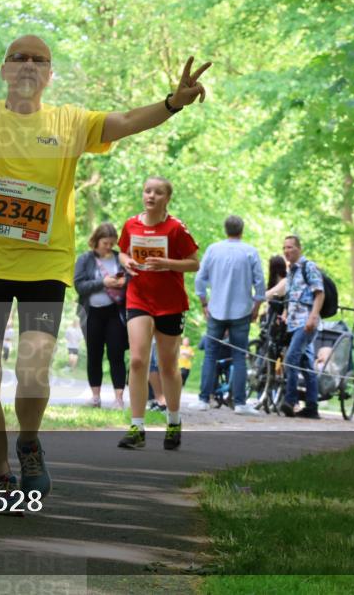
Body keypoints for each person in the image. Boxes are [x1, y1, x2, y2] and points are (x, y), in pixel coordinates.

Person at [0, 34, 210, 498]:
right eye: (17, 58)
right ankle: (2, 477)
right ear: (4, 70)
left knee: (33, 370)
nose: (27, 65)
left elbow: (124, 121)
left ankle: (27, 442)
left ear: (49, 75)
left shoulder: (69, 122)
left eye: (38, 60)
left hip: (45, 267)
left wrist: (172, 103)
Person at [116, 177, 199, 450]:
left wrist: (167, 263)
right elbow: (122, 252)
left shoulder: (176, 228)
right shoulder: (131, 224)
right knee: (138, 360)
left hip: (170, 302)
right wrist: (126, 260)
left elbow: (194, 264)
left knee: (167, 365)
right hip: (138, 297)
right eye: (147, 191)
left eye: (157, 192)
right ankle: (137, 427)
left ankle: (173, 421)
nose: (150, 196)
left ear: (167, 198)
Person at [190, 215, 265, 416]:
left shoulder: (213, 250)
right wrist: (256, 308)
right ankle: (240, 403)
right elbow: (260, 283)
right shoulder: (250, 251)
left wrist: (204, 303)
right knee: (239, 355)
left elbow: (200, 279)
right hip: (242, 311)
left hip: (216, 309)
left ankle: (204, 399)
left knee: (211, 355)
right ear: (242, 230)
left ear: (226, 229)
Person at [74, 223, 128, 410]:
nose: (108, 247)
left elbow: (130, 279)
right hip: (92, 313)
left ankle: (119, 398)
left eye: (112, 243)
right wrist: (103, 282)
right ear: (96, 241)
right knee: (94, 354)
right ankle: (95, 397)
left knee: (116, 353)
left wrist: (123, 282)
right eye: (105, 243)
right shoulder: (85, 259)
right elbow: (79, 285)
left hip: (114, 312)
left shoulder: (119, 258)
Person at [279, 235, 324, 419]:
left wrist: (313, 317)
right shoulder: (291, 271)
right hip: (293, 322)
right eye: (284, 248)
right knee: (306, 364)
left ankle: (290, 401)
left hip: (306, 322)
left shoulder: (308, 267)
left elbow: (319, 293)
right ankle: (312, 407)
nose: (287, 251)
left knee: (291, 358)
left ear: (299, 248)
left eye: (290, 247)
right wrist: (284, 313)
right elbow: (291, 296)